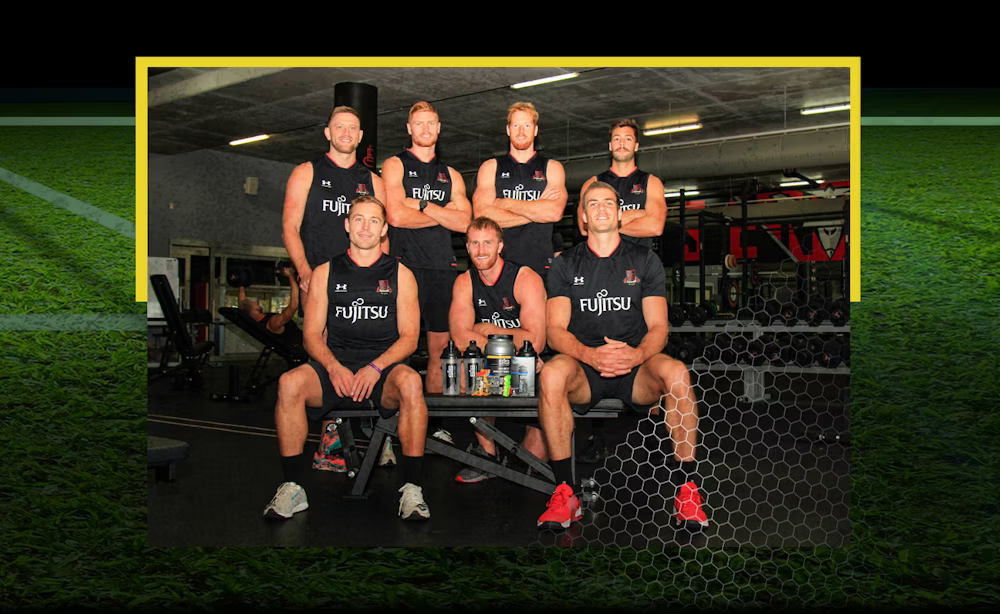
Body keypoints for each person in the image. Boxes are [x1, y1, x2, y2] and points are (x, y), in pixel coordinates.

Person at [535, 181, 707, 532]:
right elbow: (555, 331)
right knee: (551, 374)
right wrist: (590, 355)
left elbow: (658, 328)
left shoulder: (644, 260)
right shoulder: (565, 264)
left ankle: (687, 490)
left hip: (636, 367)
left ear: (619, 214)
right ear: (583, 217)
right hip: (585, 367)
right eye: (592, 203)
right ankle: (565, 493)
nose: (601, 208)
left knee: (677, 372)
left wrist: (635, 355)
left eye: (608, 203)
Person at [263, 196, 432, 521]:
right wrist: (333, 367)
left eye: (373, 221)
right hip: (336, 365)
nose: (365, 227)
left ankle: (412, 488)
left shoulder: (401, 274)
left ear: (384, 229)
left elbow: (410, 338)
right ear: (347, 225)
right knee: (289, 383)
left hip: (382, 369)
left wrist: (375, 367)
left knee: (411, 382)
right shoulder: (325, 272)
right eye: (358, 219)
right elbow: (312, 336)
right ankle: (292, 487)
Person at [280, 105, 387, 471]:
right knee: (324, 354)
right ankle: (331, 441)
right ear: (328, 132)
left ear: (360, 137)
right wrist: (304, 271)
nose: (345, 133)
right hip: (320, 281)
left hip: (364, 283)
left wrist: (385, 280)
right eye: (339, 127)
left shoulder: (373, 180)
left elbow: (383, 234)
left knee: (374, 350)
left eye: (352, 128)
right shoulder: (307, 172)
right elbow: (290, 227)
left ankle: (381, 434)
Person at [576, 119, 668, 460]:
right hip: (601, 271)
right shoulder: (593, 183)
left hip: (639, 273)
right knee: (600, 349)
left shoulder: (650, 182)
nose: (622, 143)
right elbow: (584, 226)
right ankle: (597, 437)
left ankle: (655, 435)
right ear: (609, 145)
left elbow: (655, 225)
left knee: (648, 347)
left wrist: (612, 220)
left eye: (628, 138)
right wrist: (633, 215)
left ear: (636, 145)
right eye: (616, 138)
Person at [382, 101, 473, 394]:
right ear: (409, 129)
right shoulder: (395, 165)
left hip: (441, 270)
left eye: (431, 123)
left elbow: (465, 223)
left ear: (439, 128)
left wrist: (422, 205)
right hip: (404, 267)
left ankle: (437, 418)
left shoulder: (451, 174)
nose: (425, 128)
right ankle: (393, 417)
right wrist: (443, 214)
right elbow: (396, 216)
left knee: (442, 350)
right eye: (419, 123)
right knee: (400, 347)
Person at [448, 217, 547, 482]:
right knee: (465, 373)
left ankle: (534, 436)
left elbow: (535, 342)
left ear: (500, 246)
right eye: (475, 243)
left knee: (530, 468)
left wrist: (486, 330)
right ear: (467, 247)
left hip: (532, 370)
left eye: (488, 243)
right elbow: (460, 337)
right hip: (500, 366)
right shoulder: (465, 282)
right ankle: (488, 453)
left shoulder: (525, 279)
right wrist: (508, 346)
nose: (481, 250)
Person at [472, 101, 568, 281]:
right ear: (508, 130)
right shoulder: (491, 167)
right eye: (516, 126)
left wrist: (506, 203)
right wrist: (537, 209)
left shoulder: (552, 167)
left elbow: (554, 213)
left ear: (535, 130)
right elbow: (481, 215)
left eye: (527, 126)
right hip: (499, 265)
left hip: (540, 264)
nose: (521, 131)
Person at [238, 267, 303, 349]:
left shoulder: (254, 318)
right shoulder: (273, 323)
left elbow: (242, 302)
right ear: (253, 312)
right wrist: (291, 276)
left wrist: (240, 282)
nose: (255, 302)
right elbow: (293, 306)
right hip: (303, 347)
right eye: (252, 302)